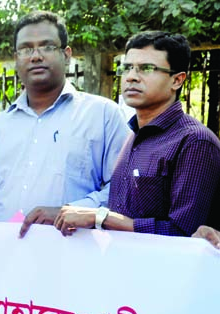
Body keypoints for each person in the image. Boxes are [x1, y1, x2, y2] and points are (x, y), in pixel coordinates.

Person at [0, 12, 130, 237]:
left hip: (71, 251)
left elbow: (122, 190)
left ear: (66, 55)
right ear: (16, 58)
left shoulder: (102, 115)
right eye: (26, 49)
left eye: (47, 47)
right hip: (2, 255)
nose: (36, 56)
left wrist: (70, 211)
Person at [53, 31, 220, 237]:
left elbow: (184, 233)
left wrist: (100, 217)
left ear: (177, 80)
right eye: (127, 68)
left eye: (146, 68)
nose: (131, 77)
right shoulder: (132, 136)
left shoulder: (194, 141)